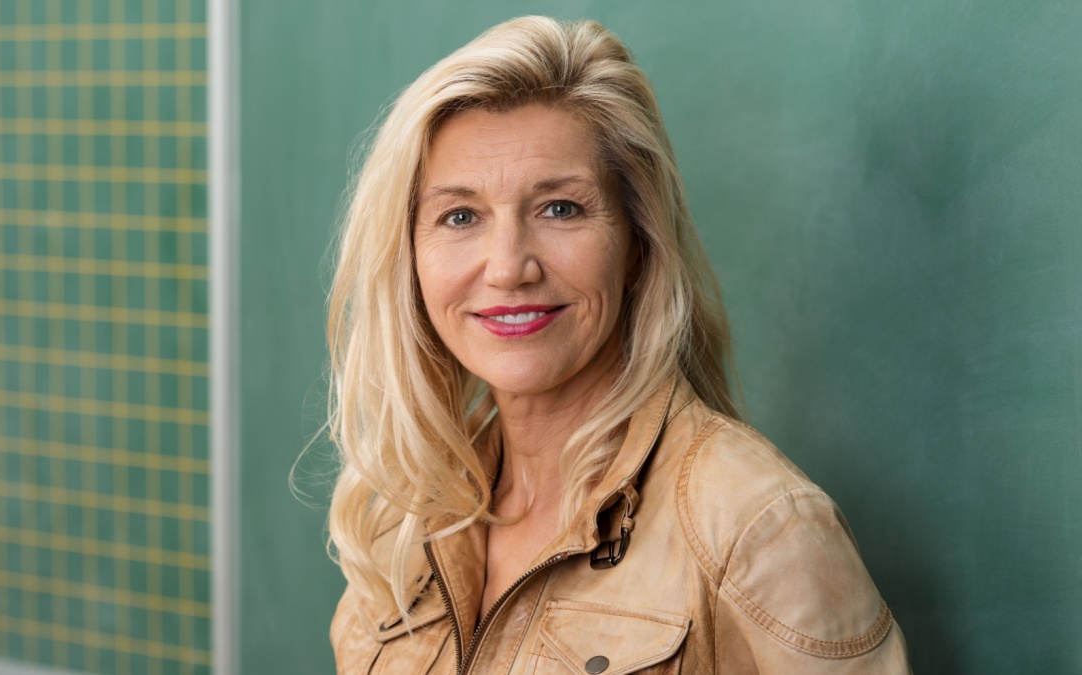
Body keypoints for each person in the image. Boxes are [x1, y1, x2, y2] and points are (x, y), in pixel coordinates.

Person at [325, 16, 911, 674]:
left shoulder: (758, 526)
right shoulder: (406, 525)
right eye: (460, 216)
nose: (508, 266)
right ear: (411, 257)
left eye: (560, 208)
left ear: (637, 243)